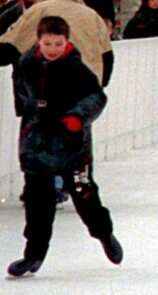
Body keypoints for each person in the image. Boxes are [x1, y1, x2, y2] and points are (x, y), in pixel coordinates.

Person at [3, 15, 122, 277]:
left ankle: (104, 234)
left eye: (58, 44)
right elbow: (23, 93)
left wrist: (77, 117)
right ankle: (33, 255)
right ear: (38, 41)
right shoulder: (26, 64)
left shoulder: (77, 69)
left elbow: (96, 97)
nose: (53, 49)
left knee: (85, 196)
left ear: (67, 41)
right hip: (37, 146)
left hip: (72, 145)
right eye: (48, 44)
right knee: (37, 204)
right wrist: (31, 118)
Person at [2, 0, 114, 86]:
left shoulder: (38, 10)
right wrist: (101, 82)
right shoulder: (93, 15)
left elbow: (14, 44)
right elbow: (107, 54)